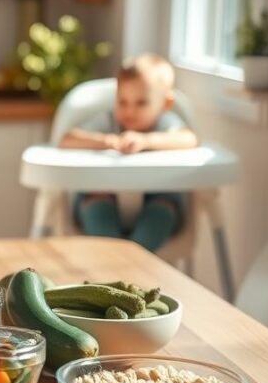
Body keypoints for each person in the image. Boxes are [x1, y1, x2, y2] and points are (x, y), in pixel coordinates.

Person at [59, 54, 198, 251]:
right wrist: (106, 141)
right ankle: (115, 258)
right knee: (96, 203)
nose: (130, 111)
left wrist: (146, 141)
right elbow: (67, 139)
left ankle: (132, 259)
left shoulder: (165, 123)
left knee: (162, 210)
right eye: (122, 102)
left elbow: (189, 139)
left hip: (157, 201)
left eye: (141, 103)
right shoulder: (107, 122)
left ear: (165, 104)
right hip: (103, 197)